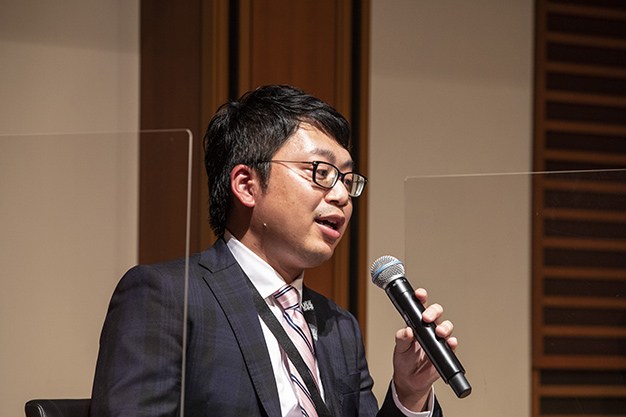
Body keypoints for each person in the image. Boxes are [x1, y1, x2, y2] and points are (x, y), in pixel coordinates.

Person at [90, 85, 457, 417]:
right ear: (246, 185)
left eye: (347, 179)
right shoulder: (168, 296)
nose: (342, 195)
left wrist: (410, 394)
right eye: (321, 172)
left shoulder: (339, 326)